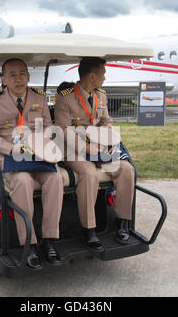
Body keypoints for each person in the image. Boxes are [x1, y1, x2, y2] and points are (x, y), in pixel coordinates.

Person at [0, 58, 63, 269]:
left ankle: (50, 240)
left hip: (37, 154)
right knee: (23, 182)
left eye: (22, 74)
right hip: (9, 154)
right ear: (4, 80)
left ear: (28, 76)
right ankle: (30, 243)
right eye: (12, 75)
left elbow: (48, 126)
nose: (18, 79)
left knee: (55, 178)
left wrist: (39, 142)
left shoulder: (39, 98)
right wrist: (11, 149)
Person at [54, 57, 135, 251]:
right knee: (89, 174)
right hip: (74, 152)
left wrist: (109, 141)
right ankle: (89, 229)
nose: (105, 78)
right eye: (103, 73)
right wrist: (87, 148)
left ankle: (122, 223)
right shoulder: (65, 97)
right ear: (92, 75)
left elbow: (106, 121)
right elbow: (63, 130)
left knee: (126, 169)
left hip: (99, 149)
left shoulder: (101, 96)